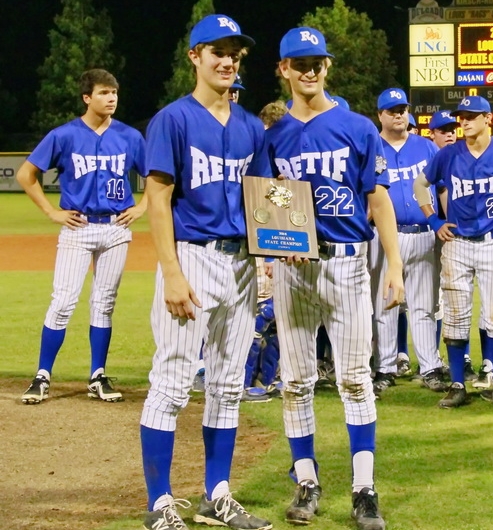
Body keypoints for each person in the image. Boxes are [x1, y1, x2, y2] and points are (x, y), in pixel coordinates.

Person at [266, 27, 405, 530]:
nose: (309, 70)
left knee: (354, 378)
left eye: (317, 61)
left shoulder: (358, 126)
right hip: (293, 270)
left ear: (327, 67)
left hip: (347, 262)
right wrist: (286, 240)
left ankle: (364, 489)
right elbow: (267, 198)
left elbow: (378, 198)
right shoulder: (273, 134)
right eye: (299, 62)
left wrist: (394, 264)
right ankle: (306, 480)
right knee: (296, 381)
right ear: (283, 69)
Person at [138, 14, 272, 530]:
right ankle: (160, 502)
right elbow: (158, 196)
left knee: (227, 384)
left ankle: (217, 493)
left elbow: (262, 198)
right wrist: (170, 271)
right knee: (172, 382)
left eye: (234, 51)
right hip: (191, 257)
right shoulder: (173, 119)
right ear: (194, 57)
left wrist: (279, 248)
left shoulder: (248, 126)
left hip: (240, 263)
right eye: (217, 50)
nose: (227, 59)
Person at [17, 68, 147, 405]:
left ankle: (97, 375)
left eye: (114, 92)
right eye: (104, 93)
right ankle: (42, 375)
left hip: (116, 229)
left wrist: (143, 206)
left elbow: (159, 177)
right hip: (79, 226)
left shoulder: (130, 137)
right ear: (87, 97)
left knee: (104, 305)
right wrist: (51, 212)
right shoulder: (64, 135)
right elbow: (26, 174)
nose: (112, 98)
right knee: (62, 302)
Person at [414, 95, 493, 411]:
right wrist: (433, 219)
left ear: (487, 118)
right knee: (455, 318)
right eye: (461, 117)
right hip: (456, 243)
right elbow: (420, 184)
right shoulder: (448, 154)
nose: (464, 121)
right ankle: (457, 384)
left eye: (471, 116)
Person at [370, 87, 447, 395]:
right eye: (392, 110)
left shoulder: (427, 147)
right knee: (386, 304)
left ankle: (429, 366)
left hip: (424, 235)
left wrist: (443, 222)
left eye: (402, 108)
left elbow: (440, 187)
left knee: (424, 305)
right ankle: (385, 367)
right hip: (386, 236)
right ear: (380, 115)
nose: (399, 114)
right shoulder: (371, 145)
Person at [241, 100, 290, 404]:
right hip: (258, 249)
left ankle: (267, 379)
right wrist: (270, 256)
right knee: (259, 319)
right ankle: (242, 382)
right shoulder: (259, 167)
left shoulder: (284, 170)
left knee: (277, 320)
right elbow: (259, 209)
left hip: (279, 249)